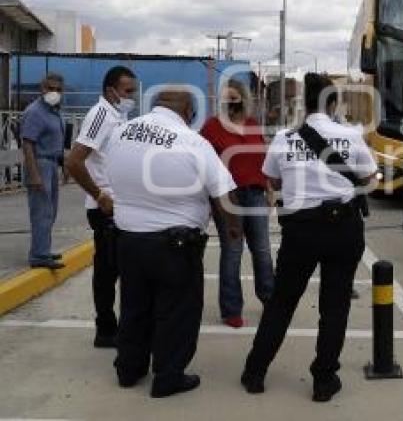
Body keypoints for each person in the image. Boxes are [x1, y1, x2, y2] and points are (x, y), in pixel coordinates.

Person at [241, 73, 377, 402]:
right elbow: (370, 176)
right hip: (343, 229)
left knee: (282, 302)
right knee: (335, 306)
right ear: (333, 103)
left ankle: (255, 373)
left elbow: (271, 181)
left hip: (301, 230)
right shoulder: (352, 135)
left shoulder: (285, 138)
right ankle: (323, 380)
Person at [105, 87, 242, 398]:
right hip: (175, 246)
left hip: (128, 240)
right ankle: (168, 376)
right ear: (189, 112)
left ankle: (129, 369)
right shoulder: (193, 142)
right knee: (176, 312)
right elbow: (225, 193)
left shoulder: (121, 132)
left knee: (134, 307)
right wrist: (233, 229)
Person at [66, 66, 137, 348]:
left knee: (121, 270)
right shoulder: (100, 115)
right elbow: (74, 161)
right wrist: (99, 195)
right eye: (128, 91)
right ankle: (106, 330)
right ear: (111, 91)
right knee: (108, 273)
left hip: (120, 206)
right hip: (105, 209)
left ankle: (114, 328)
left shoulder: (119, 115)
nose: (132, 96)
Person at [200, 79, 274, 328]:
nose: (229, 103)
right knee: (232, 252)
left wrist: (269, 189)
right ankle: (231, 310)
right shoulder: (211, 127)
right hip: (227, 197)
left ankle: (270, 302)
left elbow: (262, 159)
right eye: (225, 99)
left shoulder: (253, 125)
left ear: (243, 99)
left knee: (262, 250)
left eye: (234, 97)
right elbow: (203, 164)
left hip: (255, 194)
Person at [20, 73, 67, 270]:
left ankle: (43, 250)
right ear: (42, 88)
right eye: (50, 88)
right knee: (41, 212)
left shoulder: (54, 111)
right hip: (39, 164)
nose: (54, 92)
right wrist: (34, 174)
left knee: (50, 211)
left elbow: (59, 141)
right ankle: (38, 255)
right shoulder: (35, 112)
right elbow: (28, 144)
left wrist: (64, 165)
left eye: (58, 89)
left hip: (51, 163)